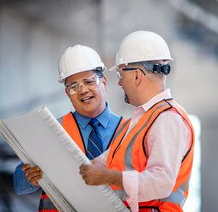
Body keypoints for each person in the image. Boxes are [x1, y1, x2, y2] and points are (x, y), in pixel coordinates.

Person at [79, 31, 195, 212]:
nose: (119, 83)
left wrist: (108, 177)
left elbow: (161, 182)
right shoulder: (137, 123)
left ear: (136, 76)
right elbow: (98, 166)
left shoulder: (168, 118)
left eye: (120, 74)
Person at [13, 44, 125, 211]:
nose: (83, 90)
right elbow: (19, 185)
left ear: (104, 83)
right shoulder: (51, 130)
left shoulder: (129, 131)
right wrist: (30, 179)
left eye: (89, 81)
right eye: (74, 86)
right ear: (67, 93)